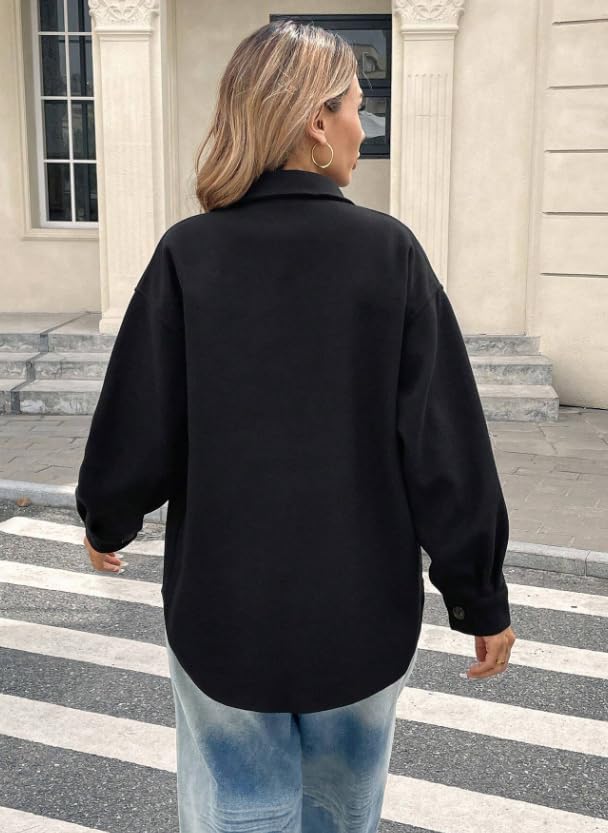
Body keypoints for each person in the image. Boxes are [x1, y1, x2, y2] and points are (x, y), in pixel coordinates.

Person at [75, 18, 517, 833]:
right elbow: (443, 446)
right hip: (362, 614)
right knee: (340, 816)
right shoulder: (389, 253)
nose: (363, 127)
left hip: (223, 612)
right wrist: (478, 595)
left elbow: (139, 418)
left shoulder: (189, 254)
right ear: (317, 121)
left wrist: (109, 516)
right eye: (355, 105)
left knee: (239, 814)